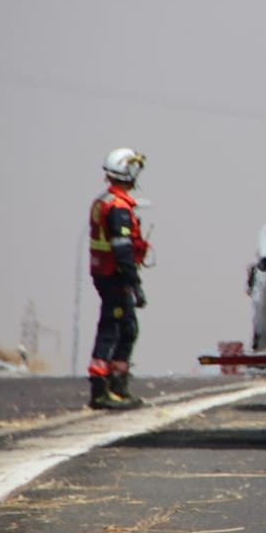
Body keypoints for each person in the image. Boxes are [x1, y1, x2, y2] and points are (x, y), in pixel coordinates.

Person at [86, 148, 150, 409]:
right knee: (112, 329)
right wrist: (135, 284)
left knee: (127, 328)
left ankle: (118, 385)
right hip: (115, 275)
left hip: (107, 273)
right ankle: (102, 390)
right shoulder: (119, 208)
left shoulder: (105, 201)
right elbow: (122, 248)